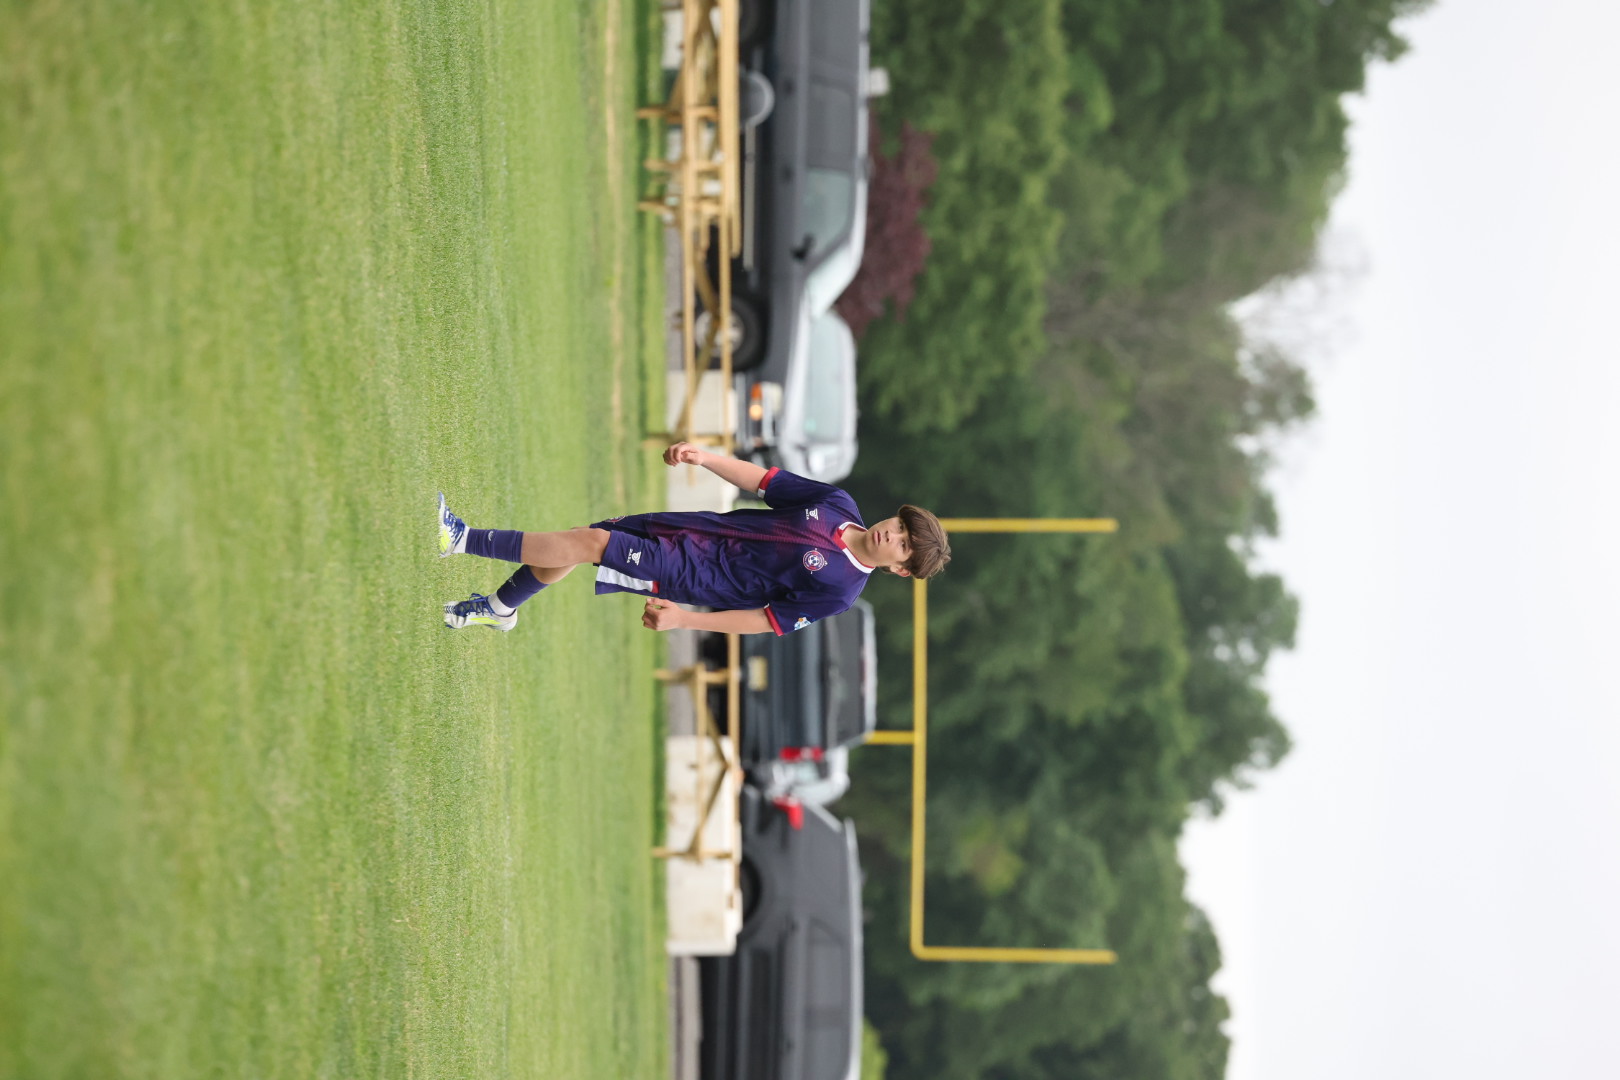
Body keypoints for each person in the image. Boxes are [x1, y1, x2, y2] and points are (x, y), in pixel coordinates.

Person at [437, 441, 951, 633]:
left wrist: (685, 620)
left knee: (592, 546)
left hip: (698, 576)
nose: (893, 535)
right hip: (695, 529)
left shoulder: (840, 591)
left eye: (904, 545)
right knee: (584, 538)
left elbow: (762, 620)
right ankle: (501, 608)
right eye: (902, 527)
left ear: (901, 569)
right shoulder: (839, 505)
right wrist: (706, 458)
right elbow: (765, 483)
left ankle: (461, 538)